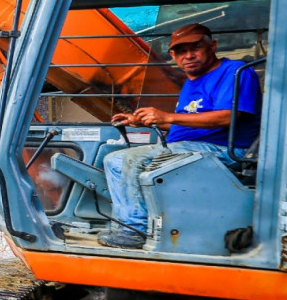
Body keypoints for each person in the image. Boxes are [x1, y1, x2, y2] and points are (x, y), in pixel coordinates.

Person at [101, 23, 262, 249]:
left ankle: (134, 230)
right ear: (173, 56)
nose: (189, 56)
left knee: (127, 159)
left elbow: (228, 117)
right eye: (181, 51)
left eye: (195, 48)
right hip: (191, 147)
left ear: (212, 46)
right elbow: (187, 125)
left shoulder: (234, 72)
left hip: (226, 150)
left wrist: (167, 117)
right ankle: (140, 224)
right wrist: (143, 121)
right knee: (113, 158)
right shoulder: (191, 81)